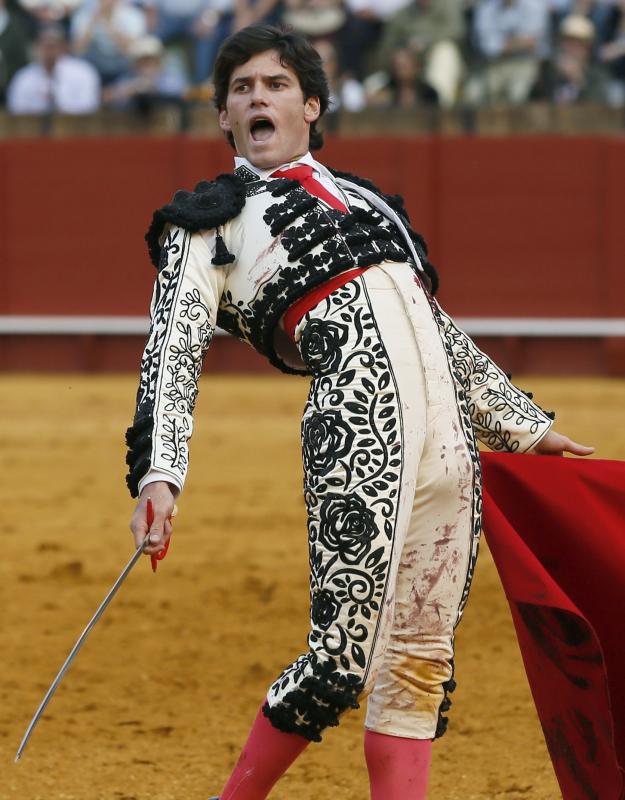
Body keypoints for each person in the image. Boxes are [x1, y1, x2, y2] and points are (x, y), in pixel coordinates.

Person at [125, 24, 593, 799]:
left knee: (418, 657)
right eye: (240, 90)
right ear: (223, 119)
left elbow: (434, 325)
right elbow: (172, 349)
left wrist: (524, 426)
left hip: (449, 438)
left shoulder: (367, 200)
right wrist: (158, 474)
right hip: (355, 423)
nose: (255, 98)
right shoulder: (206, 222)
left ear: (311, 105)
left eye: (273, 85)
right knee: (340, 655)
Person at [7, 23, 100, 114]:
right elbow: (16, 111)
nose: (49, 51)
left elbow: (89, 107)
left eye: (53, 45)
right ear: (36, 47)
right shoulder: (23, 78)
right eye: (45, 45)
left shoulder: (83, 73)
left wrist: (58, 100)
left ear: (64, 46)